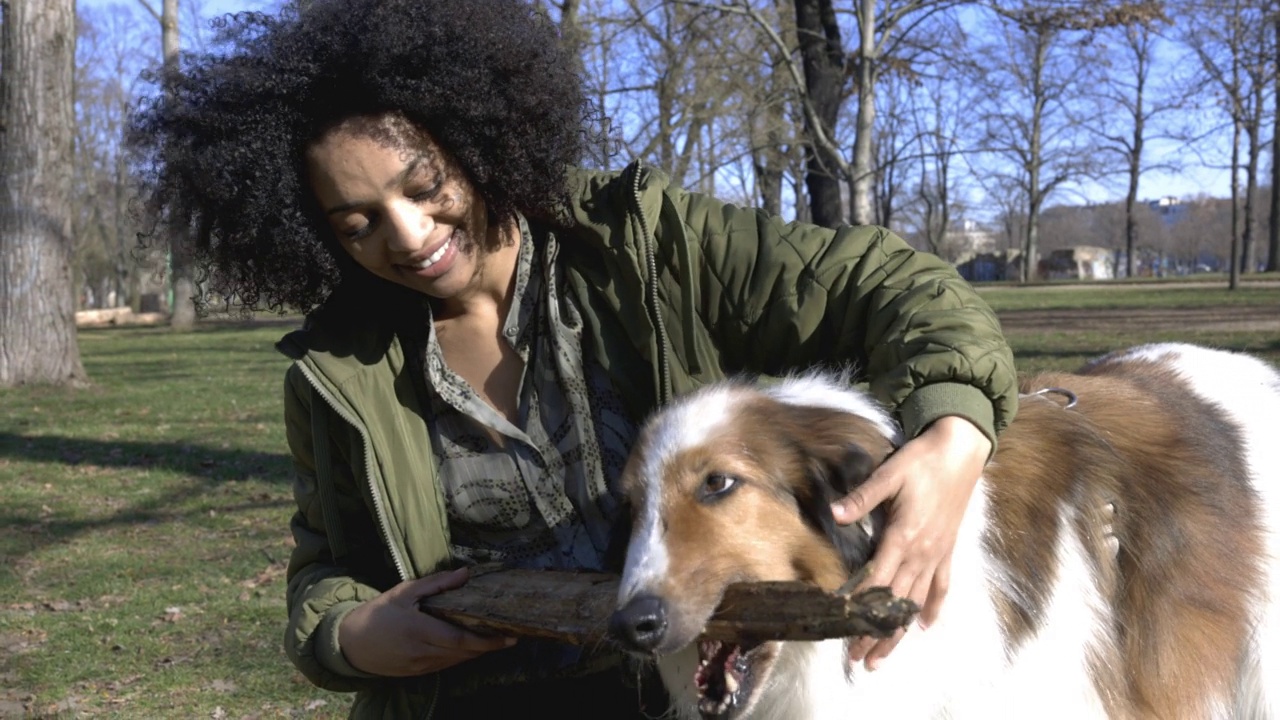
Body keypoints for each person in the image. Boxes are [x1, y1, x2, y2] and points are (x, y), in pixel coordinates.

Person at [127, 0, 1018, 717]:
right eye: (356, 222)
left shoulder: (646, 243)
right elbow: (325, 569)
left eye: (425, 185)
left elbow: (893, 288)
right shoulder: (336, 373)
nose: (408, 237)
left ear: (477, 140)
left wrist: (955, 432)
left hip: (677, 689)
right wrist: (350, 637)